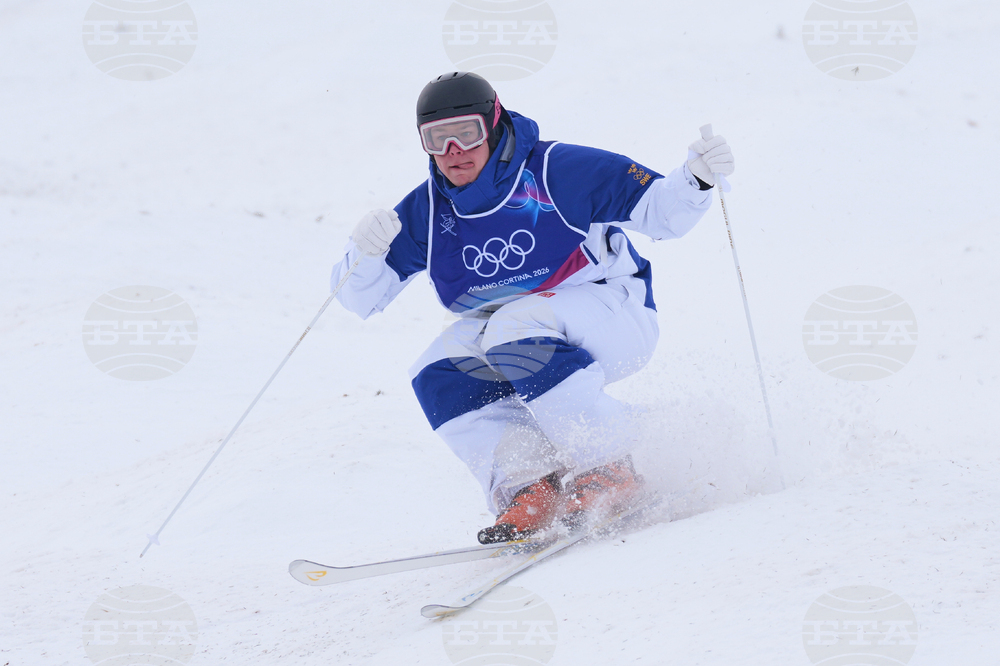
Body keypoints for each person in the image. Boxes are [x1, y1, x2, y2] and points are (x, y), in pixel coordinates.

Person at [331, 72, 734, 544]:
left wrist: (697, 179)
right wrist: (365, 255)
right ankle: (531, 484)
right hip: (522, 333)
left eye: (467, 132)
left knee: (512, 326)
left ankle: (611, 462)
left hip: (615, 313)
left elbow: (663, 214)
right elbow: (360, 299)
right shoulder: (431, 211)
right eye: (437, 140)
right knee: (438, 370)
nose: (454, 150)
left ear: (494, 123)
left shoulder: (557, 171)